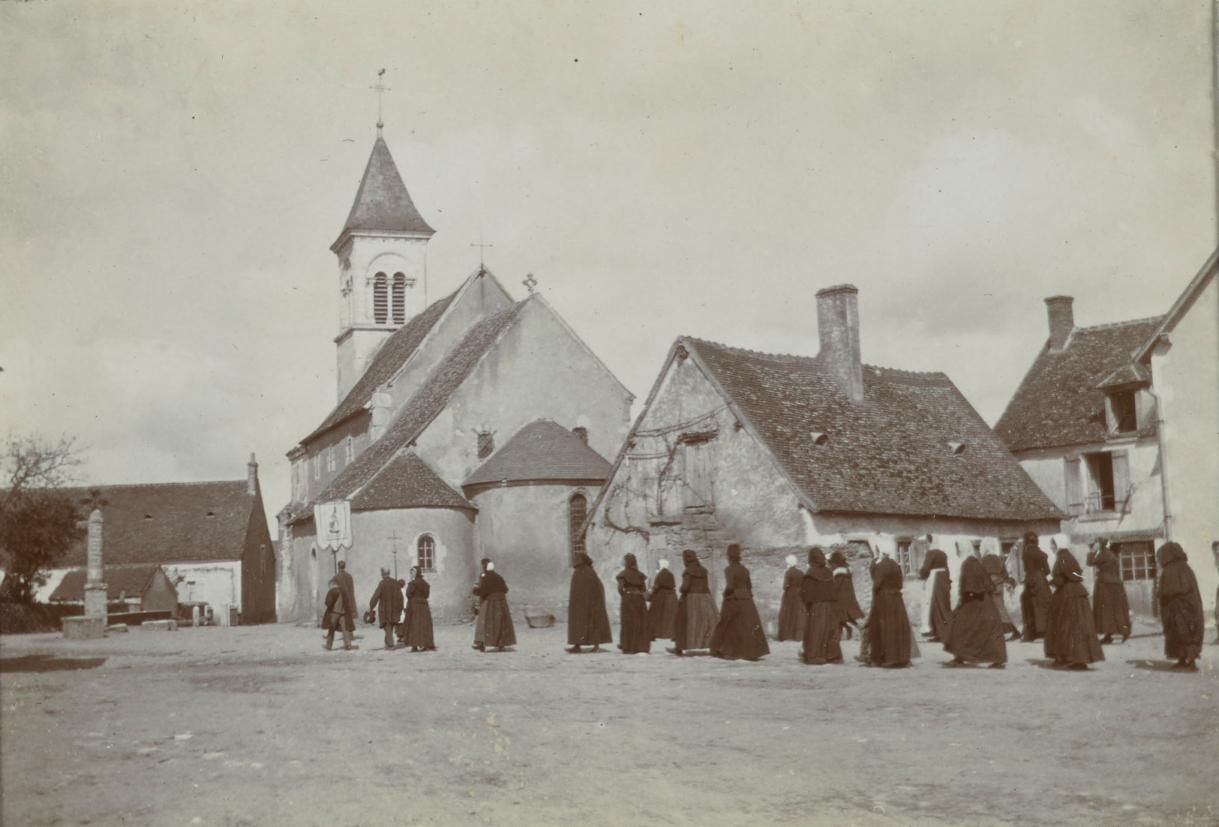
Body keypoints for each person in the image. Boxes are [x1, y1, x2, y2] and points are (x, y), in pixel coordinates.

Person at [1044, 547, 1104, 669]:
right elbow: (1073, 575)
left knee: (1064, 626)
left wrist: (1050, 582)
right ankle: (1078, 658)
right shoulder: (1071, 560)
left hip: (1067, 596)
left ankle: (1068, 658)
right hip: (1078, 595)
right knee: (1079, 627)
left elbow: (1060, 580)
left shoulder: (1061, 559)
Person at [943, 555, 1007, 668]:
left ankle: (960, 656)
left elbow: (969, 588)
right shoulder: (977, 565)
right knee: (989, 631)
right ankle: (998, 659)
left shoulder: (968, 565)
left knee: (960, 628)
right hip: (985, 603)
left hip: (972, 602)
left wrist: (961, 602)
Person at [709, 545, 770, 661]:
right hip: (747, 599)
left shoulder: (729, 569)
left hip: (733, 599)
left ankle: (724, 650)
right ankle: (752, 652)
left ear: (729, 557)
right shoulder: (745, 570)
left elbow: (730, 587)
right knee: (747, 625)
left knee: (727, 624)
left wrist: (724, 594)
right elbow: (749, 586)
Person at [862, 552, 914, 668]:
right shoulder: (895, 565)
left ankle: (884, 658)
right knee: (897, 627)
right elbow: (900, 584)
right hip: (897, 599)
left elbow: (877, 584)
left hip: (884, 599)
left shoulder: (880, 566)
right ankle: (900, 658)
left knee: (884, 628)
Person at [1157, 542, 1203, 670]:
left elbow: (1173, 589)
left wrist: (1161, 593)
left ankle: (1191, 663)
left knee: (1184, 634)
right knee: (1177, 634)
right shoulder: (1184, 568)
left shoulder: (1174, 569)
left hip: (1182, 610)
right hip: (1181, 609)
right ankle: (1182, 660)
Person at [670, 550, 718, 656]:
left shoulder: (688, 571)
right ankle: (704, 645)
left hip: (692, 598)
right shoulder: (704, 570)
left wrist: (680, 589)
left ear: (686, 559)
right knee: (706, 623)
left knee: (684, 622)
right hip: (706, 598)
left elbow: (685, 587)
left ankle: (681, 647)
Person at [800, 547, 843, 665]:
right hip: (830, 606)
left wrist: (807, 603)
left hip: (816, 607)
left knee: (816, 631)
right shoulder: (829, 572)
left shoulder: (811, 572)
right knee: (830, 630)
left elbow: (805, 592)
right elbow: (834, 590)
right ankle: (832, 656)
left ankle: (815, 656)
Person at [1086, 538, 1131, 644]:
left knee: (1106, 611)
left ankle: (1120, 632)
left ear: (1100, 544)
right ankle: (1110, 635)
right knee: (1112, 610)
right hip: (1113, 584)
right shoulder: (1110, 554)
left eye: (1096, 543)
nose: (1095, 545)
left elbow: (1090, 562)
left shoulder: (1104, 554)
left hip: (1106, 585)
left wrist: (1092, 551)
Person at [567, 552, 613, 653]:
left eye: (576, 558)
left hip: (591, 604)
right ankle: (577, 645)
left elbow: (597, 588)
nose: (574, 560)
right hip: (578, 605)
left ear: (582, 560)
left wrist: (593, 602)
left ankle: (596, 646)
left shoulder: (589, 572)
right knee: (578, 624)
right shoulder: (577, 572)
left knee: (593, 623)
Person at [474, 561, 516, 652]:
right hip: (502, 602)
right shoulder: (499, 577)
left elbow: (483, 591)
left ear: (485, 567)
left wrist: (476, 590)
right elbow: (505, 589)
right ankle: (501, 644)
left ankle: (481, 643)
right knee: (501, 623)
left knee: (485, 622)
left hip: (490, 602)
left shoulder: (485, 577)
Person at [616, 554, 651, 654]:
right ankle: (640, 646)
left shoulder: (623, 574)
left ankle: (628, 646)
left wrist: (624, 596)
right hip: (639, 600)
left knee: (628, 622)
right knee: (639, 622)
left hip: (628, 599)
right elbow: (643, 589)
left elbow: (620, 588)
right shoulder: (640, 575)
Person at [1020, 533, 1052, 642]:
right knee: (1043, 605)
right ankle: (1045, 632)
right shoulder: (1041, 553)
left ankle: (1036, 634)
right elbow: (1047, 571)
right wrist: (1040, 575)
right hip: (1042, 580)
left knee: (1033, 605)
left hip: (1032, 580)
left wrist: (1030, 583)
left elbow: (1029, 570)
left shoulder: (1026, 553)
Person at [981, 553, 1020, 640]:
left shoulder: (984, 561)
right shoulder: (998, 560)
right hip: (999, 586)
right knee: (1000, 608)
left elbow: (983, 576)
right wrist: (1006, 581)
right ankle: (1007, 631)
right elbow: (1005, 574)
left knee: (998, 609)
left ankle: (1011, 631)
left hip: (992, 586)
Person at [829, 550, 864, 640]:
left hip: (840, 599)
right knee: (844, 617)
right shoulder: (846, 571)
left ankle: (858, 630)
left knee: (840, 616)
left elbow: (836, 587)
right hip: (849, 597)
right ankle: (852, 630)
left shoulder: (838, 574)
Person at [918, 548, 952, 642]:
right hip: (944, 578)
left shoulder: (931, 553)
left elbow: (925, 568)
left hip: (935, 579)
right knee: (943, 605)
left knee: (934, 606)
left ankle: (942, 633)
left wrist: (921, 576)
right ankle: (940, 633)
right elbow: (947, 568)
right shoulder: (943, 553)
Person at [368, 568, 404, 650]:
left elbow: (376, 596)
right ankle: (387, 642)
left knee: (387, 626)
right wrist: (400, 608)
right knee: (390, 626)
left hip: (385, 609)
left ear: (382, 574)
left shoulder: (382, 583)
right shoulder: (395, 582)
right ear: (389, 573)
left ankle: (390, 644)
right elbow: (400, 597)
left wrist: (371, 606)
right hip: (395, 609)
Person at [403, 566, 436, 652]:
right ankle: (425, 644)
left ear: (416, 573)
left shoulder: (412, 583)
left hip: (414, 605)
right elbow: (427, 595)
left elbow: (408, 594)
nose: (411, 574)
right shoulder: (425, 584)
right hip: (424, 605)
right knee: (424, 624)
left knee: (414, 624)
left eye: (412, 572)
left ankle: (414, 645)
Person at [776, 554, 807, 642]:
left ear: (788, 563)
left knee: (787, 613)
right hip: (799, 594)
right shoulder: (801, 572)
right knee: (798, 614)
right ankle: (798, 636)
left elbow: (785, 586)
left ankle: (785, 635)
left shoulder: (788, 572)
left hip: (789, 595)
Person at [648, 559, 678, 642]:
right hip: (671, 597)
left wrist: (650, 593)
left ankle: (653, 634)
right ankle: (673, 635)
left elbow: (657, 586)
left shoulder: (661, 574)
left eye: (658, 565)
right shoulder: (670, 574)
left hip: (661, 597)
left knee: (655, 615)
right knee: (671, 617)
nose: (657, 567)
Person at [321, 576, 354, 651]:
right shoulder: (343, 591)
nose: (329, 587)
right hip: (343, 613)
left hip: (334, 613)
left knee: (331, 628)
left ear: (332, 584)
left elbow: (328, 602)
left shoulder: (332, 591)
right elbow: (347, 601)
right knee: (345, 629)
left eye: (329, 586)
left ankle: (328, 645)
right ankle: (348, 645)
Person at [472, 557, 490, 651]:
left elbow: (483, 588)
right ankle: (480, 642)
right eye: (483, 565)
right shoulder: (482, 575)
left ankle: (481, 642)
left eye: (485, 565)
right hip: (484, 600)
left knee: (483, 622)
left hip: (488, 601)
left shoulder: (488, 576)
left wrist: (477, 590)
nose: (484, 566)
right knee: (482, 622)